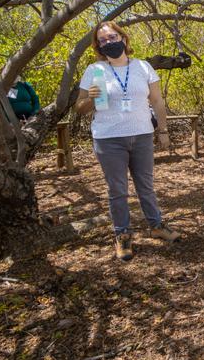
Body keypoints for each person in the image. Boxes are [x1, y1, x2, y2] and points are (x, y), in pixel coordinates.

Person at [76, 20, 179, 262]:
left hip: (142, 134)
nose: (108, 42)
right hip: (108, 138)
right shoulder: (95, 71)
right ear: (98, 46)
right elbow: (80, 108)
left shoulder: (143, 67)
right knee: (117, 190)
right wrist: (90, 98)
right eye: (103, 40)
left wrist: (162, 131)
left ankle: (156, 226)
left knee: (146, 185)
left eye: (112, 37)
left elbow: (157, 102)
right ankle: (122, 235)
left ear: (123, 38)